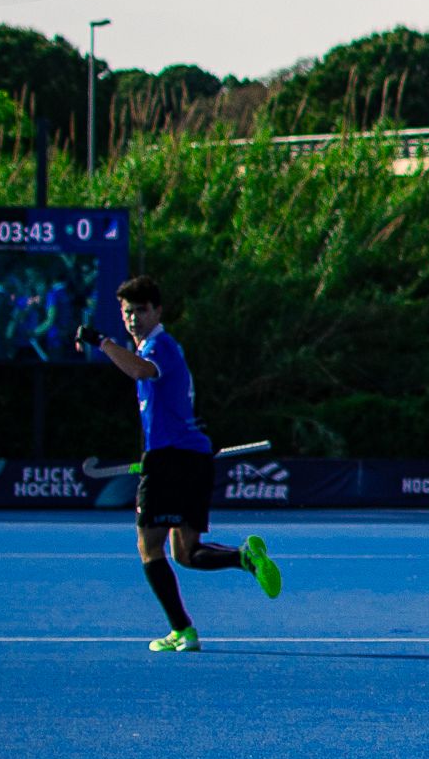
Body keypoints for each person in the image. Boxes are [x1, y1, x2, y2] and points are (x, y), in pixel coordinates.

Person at [86, 276, 282, 651]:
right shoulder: (158, 348)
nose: (133, 319)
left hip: (170, 459)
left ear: (157, 311)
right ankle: (245, 558)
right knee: (186, 552)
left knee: (149, 548)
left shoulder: (160, 346)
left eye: (141, 311)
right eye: (127, 312)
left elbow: (141, 370)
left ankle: (183, 631)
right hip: (190, 456)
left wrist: (102, 342)